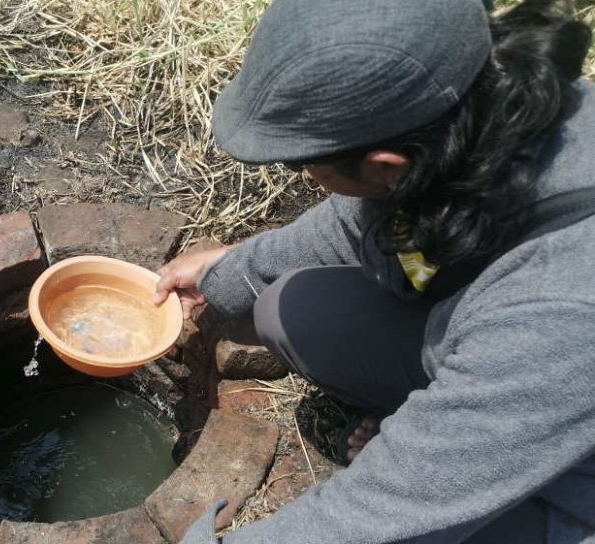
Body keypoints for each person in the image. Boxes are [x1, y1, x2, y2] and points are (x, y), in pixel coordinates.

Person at [152, 0, 595, 542]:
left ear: (387, 167)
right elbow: (360, 217)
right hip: (524, 373)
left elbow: (377, 514)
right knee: (294, 309)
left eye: (304, 165)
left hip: (576, 474)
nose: (306, 176)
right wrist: (229, 273)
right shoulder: (475, 113)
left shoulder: (562, 306)